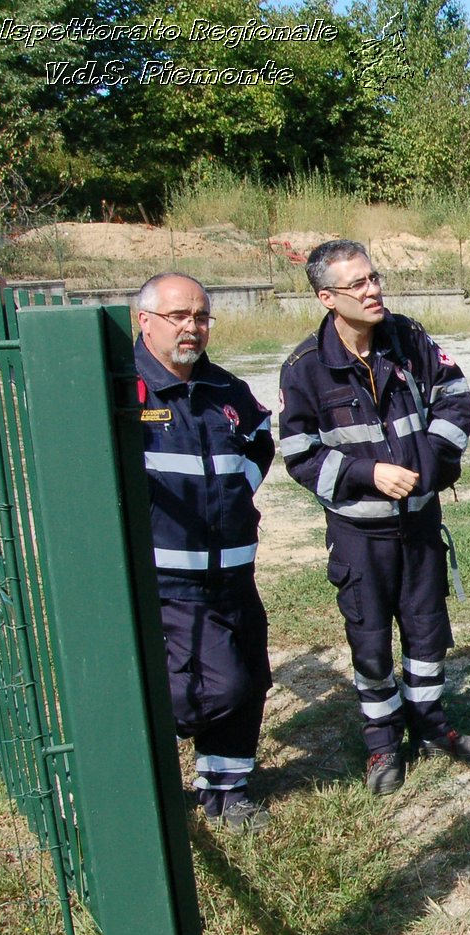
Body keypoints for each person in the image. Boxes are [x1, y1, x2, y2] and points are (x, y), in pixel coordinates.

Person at [279, 239, 470, 796]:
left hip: (419, 524)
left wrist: (427, 466)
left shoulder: (410, 338)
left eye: (374, 278)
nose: (373, 291)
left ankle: (430, 725)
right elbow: (299, 454)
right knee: (370, 645)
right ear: (327, 297)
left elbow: (455, 397)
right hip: (358, 535)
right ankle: (381, 745)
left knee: (427, 635)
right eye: (358, 285)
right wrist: (367, 475)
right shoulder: (304, 369)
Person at [135, 272, 273, 831]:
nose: (192, 328)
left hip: (235, 570)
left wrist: (237, 486)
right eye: (179, 317)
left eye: (201, 317)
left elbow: (261, 436)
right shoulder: (127, 391)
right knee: (218, 684)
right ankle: (136, 744)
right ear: (143, 320)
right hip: (171, 580)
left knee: (250, 679)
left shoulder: (224, 389)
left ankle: (226, 789)